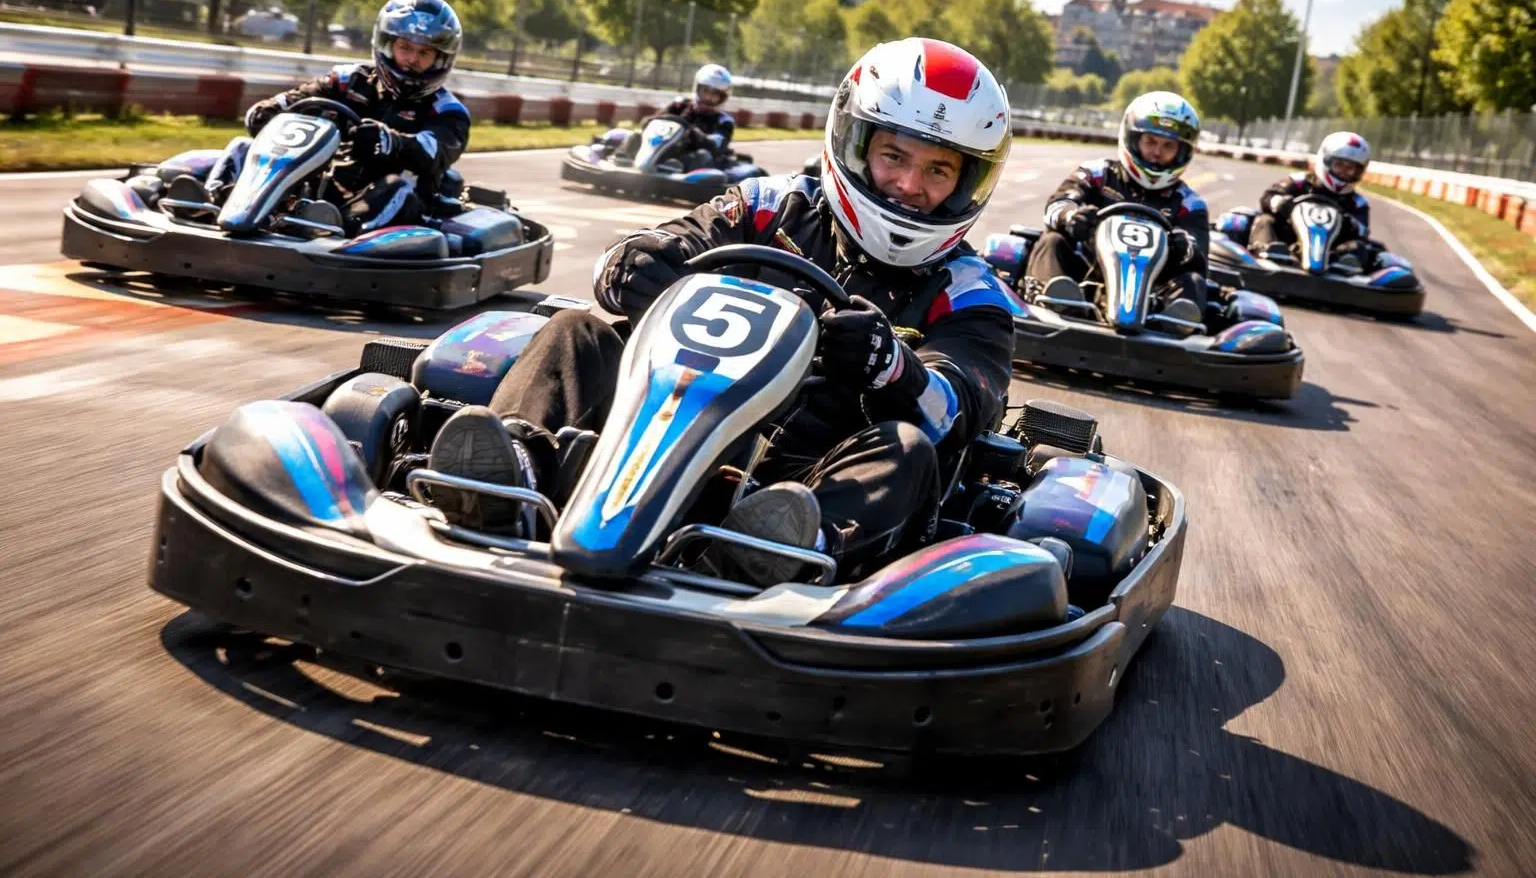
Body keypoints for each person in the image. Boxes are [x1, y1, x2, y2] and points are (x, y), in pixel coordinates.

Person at [426, 37, 1019, 587]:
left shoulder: (970, 293)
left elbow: (964, 408)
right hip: (667, 421)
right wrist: (635, 268)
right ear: (855, 143)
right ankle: (514, 476)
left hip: (806, 477)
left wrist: (892, 366)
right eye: (894, 156)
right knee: (574, 330)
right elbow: (646, 250)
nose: (908, 186)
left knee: (907, 450)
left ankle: (772, 552)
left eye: (938, 170)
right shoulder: (766, 205)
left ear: (969, 183)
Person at [206, 0, 470, 235]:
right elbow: (295, 100)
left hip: (378, 206)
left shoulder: (448, 111)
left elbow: (434, 151)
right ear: (387, 45)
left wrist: (390, 142)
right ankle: (215, 203)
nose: (412, 59)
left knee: (397, 188)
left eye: (424, 52)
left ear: (441, 58)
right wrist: (268, 112)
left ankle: (330, 234)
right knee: (243, 147)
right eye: (405, 48)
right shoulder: (349, 80)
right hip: (319, 191)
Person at [1023, 91, 1208, 322]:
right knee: (1051, 242)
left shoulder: (1189, 203)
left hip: (1153, 295)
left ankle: (1173, 324)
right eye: (1150, 141)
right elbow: (1058, 204)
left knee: (1194, 281)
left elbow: (1199, 250)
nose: (1157, 152)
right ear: (1132, 138)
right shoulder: (1097, 174)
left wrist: (1183, 246)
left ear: (1182, 151)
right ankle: (1059, 306)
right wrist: (1071, 217)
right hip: (1084, 278)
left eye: (1168, 146)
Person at [1249, 131, 1377, 267]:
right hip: (1287, 241)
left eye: (1350, 168)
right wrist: (1281, 203)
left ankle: (1340, 267)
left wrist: (1347, 222)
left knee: (1362, 247)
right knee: (1264, 220)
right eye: (1339, 165)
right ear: (1326, 161)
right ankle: (1267, 253)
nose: (1344, 172)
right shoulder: (1298, 182)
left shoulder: (1357, 202)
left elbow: (1363, 231)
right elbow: (1268, 197)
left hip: (1332, 252)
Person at [655, 63, 738, 169]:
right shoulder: (679, 105)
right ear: (697, 89)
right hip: (666, 150)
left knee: (702, 155)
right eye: (706, 92)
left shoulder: (724, 121)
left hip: (696, 164)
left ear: (722, 98)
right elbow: (654, 121)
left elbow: (715, 145)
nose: (708, 98)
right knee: (635, 136)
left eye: (715, 95)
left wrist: (691, 133)